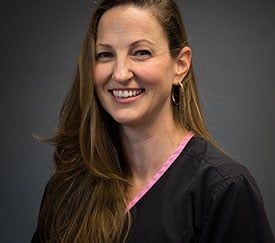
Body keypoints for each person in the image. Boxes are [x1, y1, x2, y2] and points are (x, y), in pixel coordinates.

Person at [31, 0, 274, 242]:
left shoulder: (224, 190)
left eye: (141, 53)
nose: (120, 73)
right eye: (105, 55)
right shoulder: (67, 188)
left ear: (180, 65)